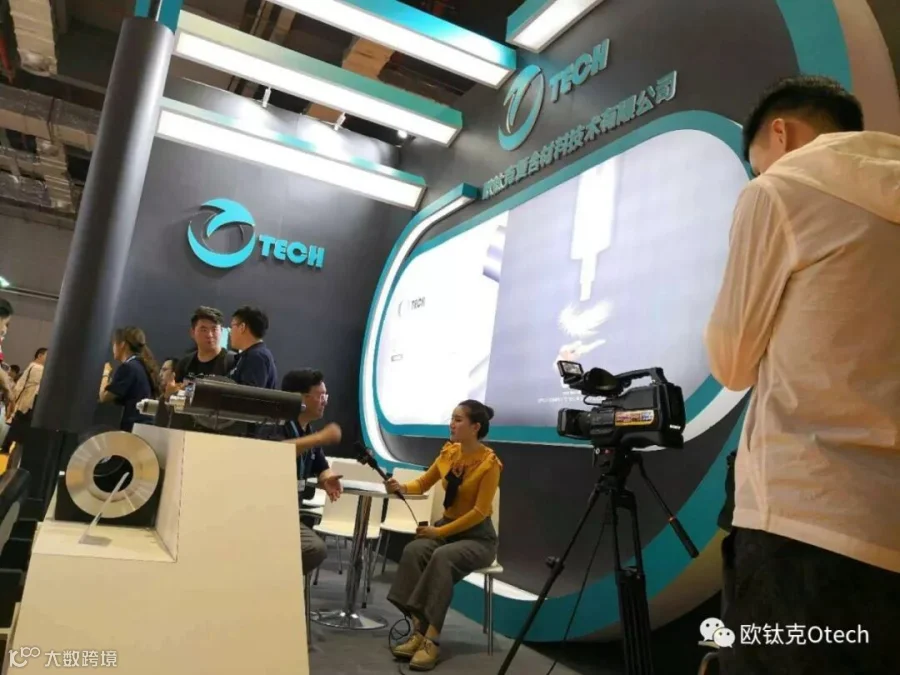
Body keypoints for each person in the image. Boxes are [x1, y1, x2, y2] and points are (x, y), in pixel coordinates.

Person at [706, 76, 900, 675]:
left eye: (756, 161)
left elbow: (732, 363)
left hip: (802, 515)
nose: (758, 174)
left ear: (781, 133)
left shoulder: (779, 190)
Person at [385, 400, 501, 671]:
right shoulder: (449, 453)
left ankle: (432, 641)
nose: (452, 424)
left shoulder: (490, 464)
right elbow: (423, 482)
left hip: (478, 539)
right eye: (452, 418)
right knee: (414, 550)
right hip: (447, 529)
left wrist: (439, 531)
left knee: (442, 557)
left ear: (475, 427)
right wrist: (401, 487)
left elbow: (479, 512)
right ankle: (419, 630)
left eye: (458, 420)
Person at [272, 369, 344, 575]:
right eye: (320, 396)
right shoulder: (275, 424)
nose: (324, 402)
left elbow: (321, 466)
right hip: (269, 513)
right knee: (314, 548)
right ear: (301, 398)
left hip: (289, 514)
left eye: (326, 396)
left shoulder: (308, 431)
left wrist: (327, 478)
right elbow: (275, 452)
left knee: (314, 549)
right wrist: (320, 438)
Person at [100, 327, 160, 432]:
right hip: (143, 428)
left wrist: (105, 373)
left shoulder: (128, 368)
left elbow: (104, 397)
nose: (113, 348)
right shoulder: (141, 365)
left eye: (114, 344)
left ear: (122, 344)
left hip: (133, 429)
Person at [171, 306, 235, 393]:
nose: (209, 335)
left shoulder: (233, 362)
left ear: (221, 331)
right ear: (192, 333)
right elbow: (176, 393)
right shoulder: (184, 364)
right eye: (204, 330)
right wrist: (170, 394)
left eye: (214, 329)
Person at [1, 348, 46, 454]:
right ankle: (8, 448)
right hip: (27, 403)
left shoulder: (31, 366)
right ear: (39, 356)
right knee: (20, 430)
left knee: (16, 427)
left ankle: (6, 447)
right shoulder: (38, 368)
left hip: (24, 402)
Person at [228, 306, 277, 389]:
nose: (230, 332)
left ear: (242, 327)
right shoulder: (252, 355)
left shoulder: (257, 357)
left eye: (232, 326)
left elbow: (248, 395)